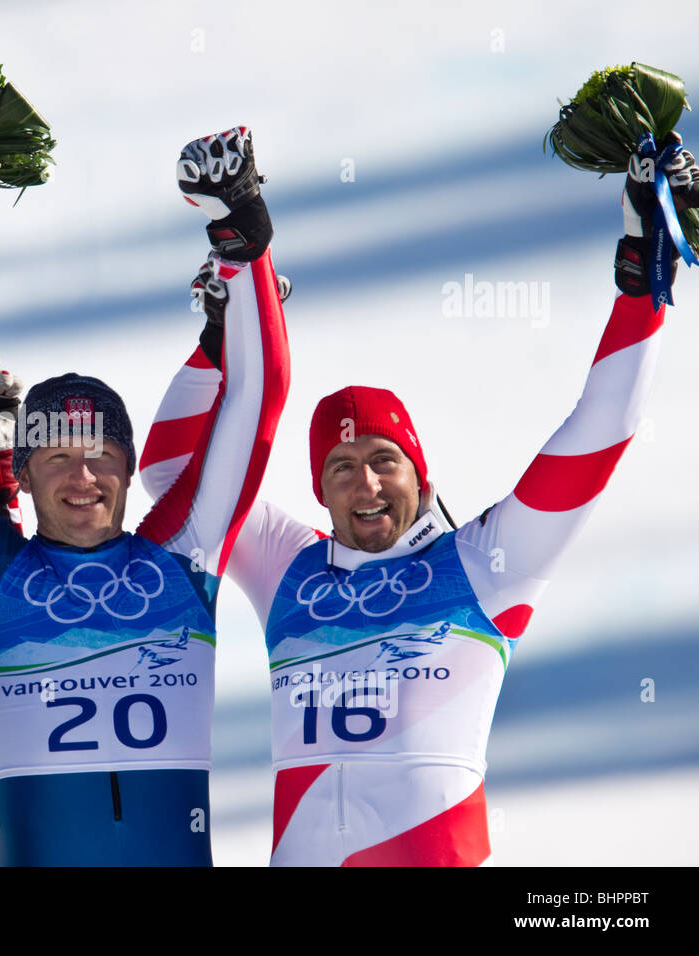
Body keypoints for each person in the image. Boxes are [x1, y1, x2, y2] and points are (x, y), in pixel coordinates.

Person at [138, 134, 695, 865]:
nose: (365, 484)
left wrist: (639, 278)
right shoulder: (289, 567)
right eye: (340, 467)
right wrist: (220, 339)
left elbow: (602, 427)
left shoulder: (488, 563)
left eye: (383, 461)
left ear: (420, 476)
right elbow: (170, 473)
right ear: (319, 491)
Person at [0, 127, 290, 865]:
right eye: (57, 457)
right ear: (23, 472)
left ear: (129, 465)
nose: (83, 476)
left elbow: (258, 396)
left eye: (102, 455)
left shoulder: (185, 557)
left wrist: (242, 228)